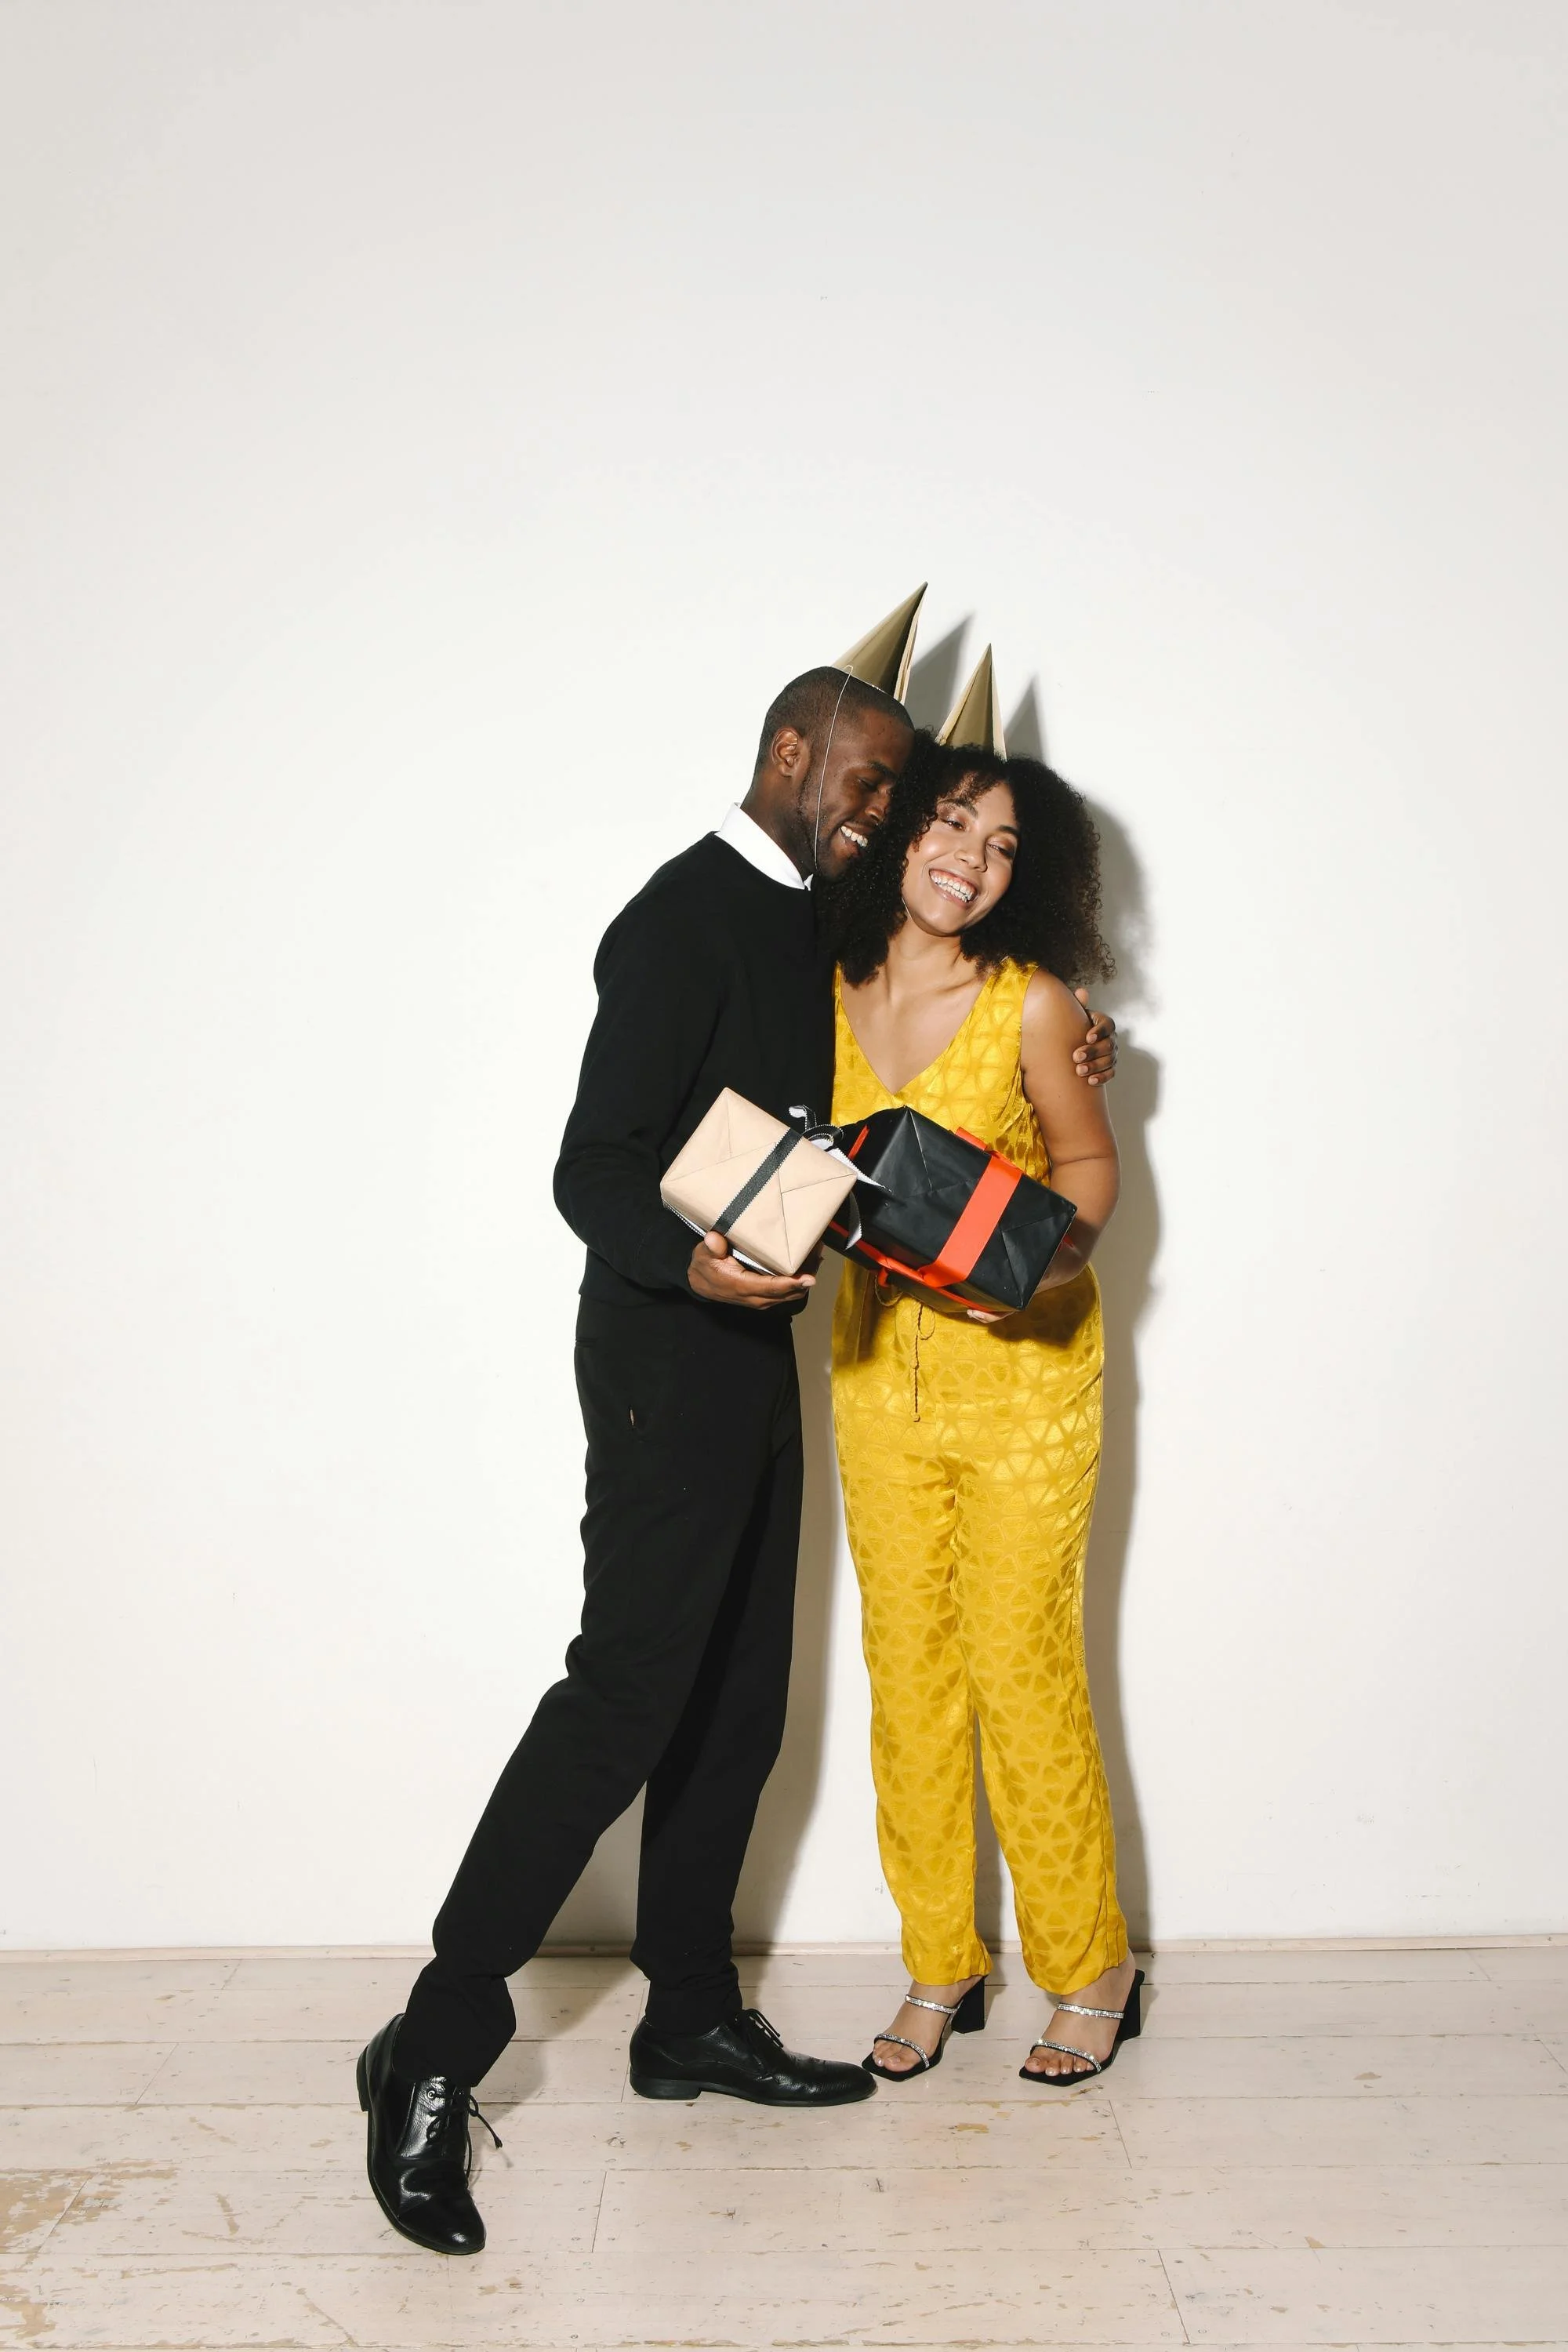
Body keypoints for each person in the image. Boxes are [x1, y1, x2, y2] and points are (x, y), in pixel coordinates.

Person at [828, 709, 1139, 2087]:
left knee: (1021, 1667)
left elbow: (1090, 1175)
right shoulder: (819, 986)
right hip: (870, 1385)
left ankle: (1090, 1966)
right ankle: (940, 1958)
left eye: (1004, 845)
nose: (969, 857)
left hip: (1024, 1387)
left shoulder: (1034, 1003)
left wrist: (1022, 1270)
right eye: (951, 821)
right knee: (908, 1679)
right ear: (901, 826)